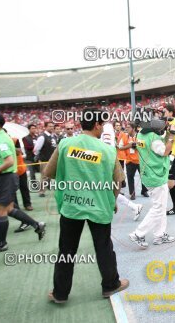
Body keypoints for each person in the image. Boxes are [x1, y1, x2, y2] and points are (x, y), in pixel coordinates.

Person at [44, 108, 129, 303]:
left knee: (66, 251)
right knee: (104, 247)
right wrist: (112, 200)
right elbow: (117, 181)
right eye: (103, 124)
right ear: (97, 124)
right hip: (98, 206)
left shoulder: (65, 144)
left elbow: (48, 172)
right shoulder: (107, 149)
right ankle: (110, 285)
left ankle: (60, 294)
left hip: (71, 206)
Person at [0, 111, 46, 255]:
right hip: (3, 177)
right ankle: (36, 225)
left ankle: (1, 243)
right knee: (7, 209)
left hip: (5, 177)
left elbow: (8, 161)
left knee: (0, 210)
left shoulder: (0, 140)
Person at [129, 117, 175, 249]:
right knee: (158, 208)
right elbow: (165, 151)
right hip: (156, 176)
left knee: (160, 207)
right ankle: (138, 234)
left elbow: (159, 141)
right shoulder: (153, 138)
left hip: (148, 175)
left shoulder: (140, 134)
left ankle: (159, 235)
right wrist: (172, 134)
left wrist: (167, 133)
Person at [118, 122, 148, 199]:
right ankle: (132, 193)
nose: (126, 129)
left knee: (144, 177)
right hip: (129, 160)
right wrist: (130, 145)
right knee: (130, 177)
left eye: (129, 127)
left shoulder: (140, 136)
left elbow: (145, 145)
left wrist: (137, 144)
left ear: (133, 128)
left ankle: (144, 191)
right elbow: (120, 147)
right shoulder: (124, 136)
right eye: (126, 127)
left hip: (140, 160)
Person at [34, 121, 57, 197]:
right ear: (46, 127)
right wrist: (39, 157)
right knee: (44, 176)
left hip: (52, 159)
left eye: (52, 126)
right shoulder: (42, 137)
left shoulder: (53, 136)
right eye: (50, 126)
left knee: (50, 176)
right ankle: (41, 191)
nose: (51, 127)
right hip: (45, 160)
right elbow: (36, 149)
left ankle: (48, 187)